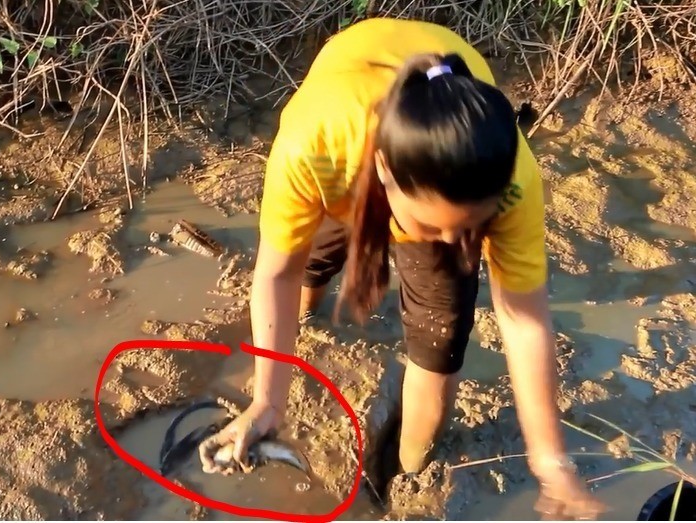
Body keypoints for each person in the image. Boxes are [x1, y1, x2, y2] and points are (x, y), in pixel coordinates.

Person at [198, 17, 606, 520]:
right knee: (311, 266)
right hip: (346, 140)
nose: (456, 243)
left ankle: (403, 476)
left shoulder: (513, 179)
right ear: (387, 175)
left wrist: (551, 464)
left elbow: (524, 319)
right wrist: (267, 401)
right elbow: (276, 272)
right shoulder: (315, 150)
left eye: (471, 226)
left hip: (437, 152)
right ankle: (309, 321)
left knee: (439, 341)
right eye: (435, 228)